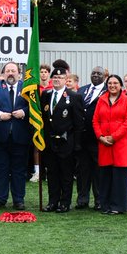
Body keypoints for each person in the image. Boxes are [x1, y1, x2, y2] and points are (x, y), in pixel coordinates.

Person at [0, 61, 31, 210]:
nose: (10, 73)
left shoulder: (26, 87)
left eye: (13, 71)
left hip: (20, 136)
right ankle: (1, 199)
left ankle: (18, 200)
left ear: (19, 73)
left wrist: (24, 112)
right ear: (3, 74)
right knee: (0, 169)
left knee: (19, 170)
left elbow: (35, 106)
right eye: (8, 71)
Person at [40, 67, 84, 213]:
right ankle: (53, 201)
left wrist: (76, 144)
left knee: (66, 174)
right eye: (55, 78)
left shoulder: (74, 96)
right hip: (50, 142)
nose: (57, 80)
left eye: (60, 78)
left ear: (66, 80)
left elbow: (78, 123)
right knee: (52, 173)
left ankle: (65, 202)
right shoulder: (46, 95)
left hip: (67, 142)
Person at [94, 74, 127, 214]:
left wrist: (113, 137)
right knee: (105, 177)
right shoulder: (101, 100)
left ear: (120, 85)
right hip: (104, 144)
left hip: (120, 144)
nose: (112, 85)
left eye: (115, 83)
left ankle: (118, 206)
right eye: (110, 83)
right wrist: (100, 137)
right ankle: (105, 205)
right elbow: (95, 121)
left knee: (120, 177)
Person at [76, 66, 108, 209]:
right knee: (82, 170)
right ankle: (82, 199)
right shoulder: (81, 90)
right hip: (81, 138)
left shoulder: (108, 91)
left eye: (99, 73)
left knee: (98, 170)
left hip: (98, 137)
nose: (95, 75)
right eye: (93, 73)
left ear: (104, 76)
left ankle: (99, 200)